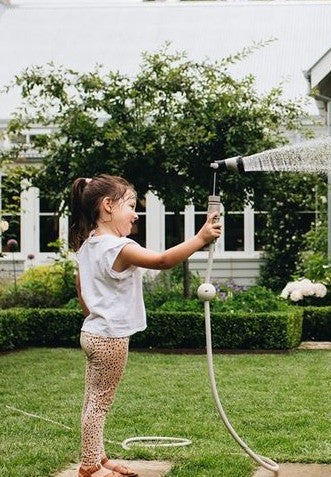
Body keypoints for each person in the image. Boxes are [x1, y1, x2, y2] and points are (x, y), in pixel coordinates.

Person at [70, 175, 221, 477]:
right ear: (108, 206)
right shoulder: (119, 247)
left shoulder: (89, 245)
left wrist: (95, 314)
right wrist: (201, 238)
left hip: (92, 332)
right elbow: (163, 260)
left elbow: (81, 287)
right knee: (99, 404)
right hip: (111, 338)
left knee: (92, 399)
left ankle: (98, 458)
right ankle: (89, 466)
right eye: (131, 205)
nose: (136, 213)